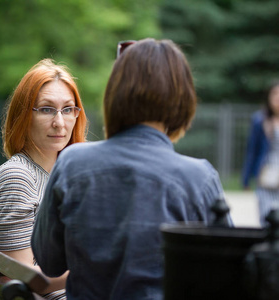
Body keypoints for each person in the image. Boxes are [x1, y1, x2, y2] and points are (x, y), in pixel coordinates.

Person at [31, 38, 233, 300]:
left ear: (114, 92)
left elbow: (49, 261)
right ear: (183, 98)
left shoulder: (71, 164)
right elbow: (227, 273)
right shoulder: (198, 178)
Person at [0, 58, 88, 299]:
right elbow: (26, 279)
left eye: (68, 109)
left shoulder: (61, 174)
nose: (59, 122)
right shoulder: (18, 178)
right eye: (47, 109)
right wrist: (99, 268)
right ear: (24, 115)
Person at [242, 80, 279, 227]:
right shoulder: (260, 120)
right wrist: (246, 178)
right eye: (275, 94)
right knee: (266, 218)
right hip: (266, 175)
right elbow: (252, 150)